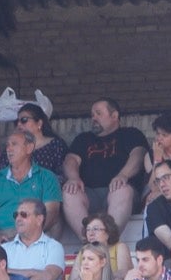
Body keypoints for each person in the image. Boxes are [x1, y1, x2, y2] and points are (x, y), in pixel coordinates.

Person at [62, 98, 148, 240]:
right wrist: (73, 178)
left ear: (114, 116)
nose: (93, 117)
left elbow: (138, 155)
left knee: (122, 189)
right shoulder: (84, 138)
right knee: (70, 192)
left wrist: (123, 175)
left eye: (98, 113)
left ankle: (109, 240)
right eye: (92, 114)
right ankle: (87, 241)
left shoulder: (131, 134)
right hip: (89, 194)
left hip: (119, 193)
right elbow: (71, 160)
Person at [0, 130, 62, 247]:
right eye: (7, 145)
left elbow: (52, 212)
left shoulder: (46, 177)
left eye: (14, 144)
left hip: (35, 234)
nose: (8, 149)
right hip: (0, 236)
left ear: (29, 148)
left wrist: (33, 234)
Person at [0, 102, 69, 178]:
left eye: (24, 120)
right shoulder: (12, 147)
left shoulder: (56, 146)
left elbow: (62, 175)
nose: (19, 124)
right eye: (16, 122)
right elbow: (2, 173)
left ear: (39, 123)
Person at [76, 212, 132, 280]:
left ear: (108, 232)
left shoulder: (119, 247)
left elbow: (124, 273)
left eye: (95, 229)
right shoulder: (83, 252)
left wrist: (97, 279)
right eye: (88, 230)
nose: (90, 233)